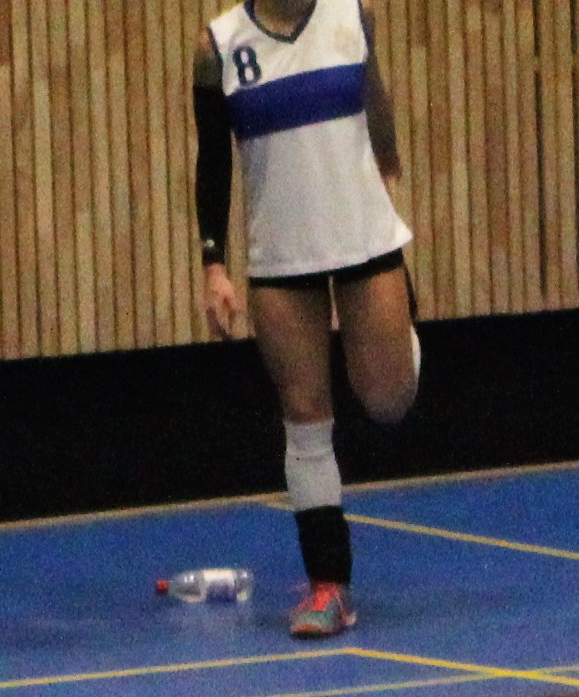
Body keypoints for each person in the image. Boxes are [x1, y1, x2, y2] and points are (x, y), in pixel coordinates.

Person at [189, 0, 418, 642]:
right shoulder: (218, 47)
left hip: (364, 242)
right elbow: (213, 160)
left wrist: (389, 181)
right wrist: (214, 264)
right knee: (305, 414)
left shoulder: (352, 15)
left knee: (388, 399)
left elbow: (375, 103)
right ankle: (328, 585)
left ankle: (404, 323)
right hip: (281, 258)